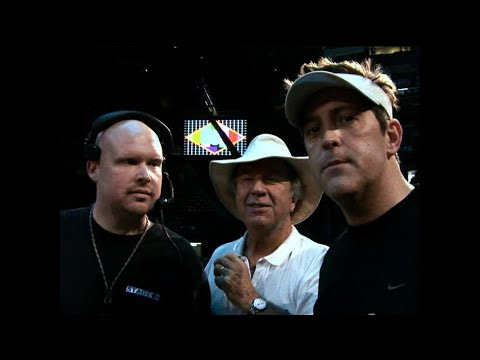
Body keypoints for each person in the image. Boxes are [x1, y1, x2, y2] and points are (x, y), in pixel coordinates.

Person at [284, 57, 420, 315]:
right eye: (313, 129)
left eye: (347, 118)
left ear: (391, 137)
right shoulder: (335, 263)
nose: (328, 138)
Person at [60, 110, 211, 315]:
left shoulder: (180, 258)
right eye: (129, 161)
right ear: (93, 168)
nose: (145, 176)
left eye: (154, 164)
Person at [205, 133, 329, 315]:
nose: (257, 189)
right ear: (236, 194)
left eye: (271, 179)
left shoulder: (318, 261)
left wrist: (250, 298)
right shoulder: (221, 254)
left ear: (293, 198)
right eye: (247, 179)